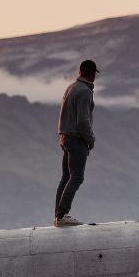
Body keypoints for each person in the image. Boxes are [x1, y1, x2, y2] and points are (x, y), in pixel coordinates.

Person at [53, 59, 97, 226]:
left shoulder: (71, 87)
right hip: (77, 139)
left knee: (65, 177)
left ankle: (57, 216)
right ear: (92, 74)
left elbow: (63, 113)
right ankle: (62, 214)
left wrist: (62, 135)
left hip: (65, 136)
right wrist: (90, 139)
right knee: (77, 177)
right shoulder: (85, 91)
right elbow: (83, 121)